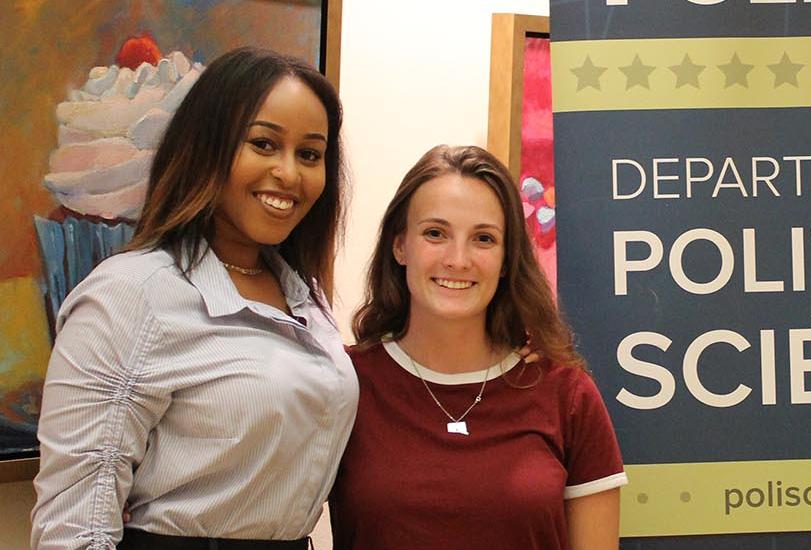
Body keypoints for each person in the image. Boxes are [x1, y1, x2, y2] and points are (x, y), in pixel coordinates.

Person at [31, 47, 352, 549]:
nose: (290, 174)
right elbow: (75, 527)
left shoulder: (302, 295)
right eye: (264, 144)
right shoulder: (133, 294)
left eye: (309, 154)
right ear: (207, 147)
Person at [330, 145, 625, 550]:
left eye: (483, 239)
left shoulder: (566, 395)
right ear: (400, 246)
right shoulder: (344, 383)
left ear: (506, 260)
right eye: (435, 233)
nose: (458, 259)